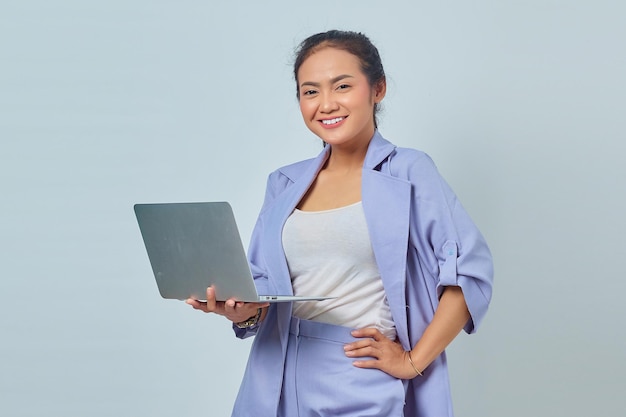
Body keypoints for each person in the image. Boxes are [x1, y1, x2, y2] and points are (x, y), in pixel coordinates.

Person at [187, 29, 493, 417]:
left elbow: (471, 273)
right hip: (274, 375)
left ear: (377, 89)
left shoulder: (410, 172)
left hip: (359, 374)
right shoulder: (283, 183)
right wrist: (240, 309)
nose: (326, 104)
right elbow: (263, 287)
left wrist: (412, 361)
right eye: (310, 91)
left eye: (342, 86)